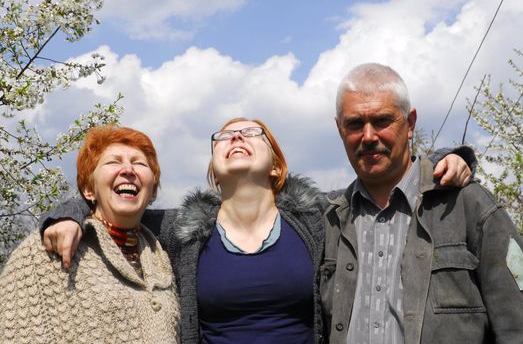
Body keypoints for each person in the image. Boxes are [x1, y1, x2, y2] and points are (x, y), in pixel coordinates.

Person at [39, 119, 473, 344]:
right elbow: (117, 201)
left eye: (252, 132)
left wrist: (449, 157)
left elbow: (379, 183)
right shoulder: (180, 229)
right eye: (224, 136)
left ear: (277, 164)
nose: (236, 137)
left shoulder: (317, 216)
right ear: (213, 168)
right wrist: (68, 213)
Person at [320, 62, 523, 344]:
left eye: (381, 121)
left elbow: (516, 324)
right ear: (340, 129)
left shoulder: (468, 205)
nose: (368, 137)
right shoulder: (328, 221)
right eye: (355, 124)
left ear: (410, 123)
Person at [0, 125, 180, 343]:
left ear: (152, 192)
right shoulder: (48, 248)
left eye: (138, 163)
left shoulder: (165, 255)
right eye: (114, 162)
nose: (128, 170)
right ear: (89, 190)